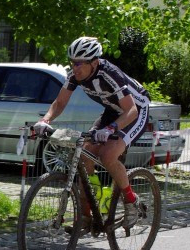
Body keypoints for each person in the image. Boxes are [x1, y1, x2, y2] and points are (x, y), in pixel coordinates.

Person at [31, 36, 150, 230]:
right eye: (72, 63)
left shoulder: (109, 74)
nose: (74, 68)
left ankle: (131, 202)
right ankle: (86, 217)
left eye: (79, 64)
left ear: (94, 63)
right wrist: (45, 120)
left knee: (108, 155)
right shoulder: (74, 76)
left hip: (135, 111)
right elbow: (60, 103)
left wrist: (110, 129)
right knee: (85, 158)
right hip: (112, 111)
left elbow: (131, 110)